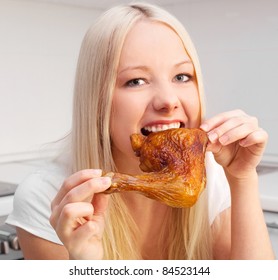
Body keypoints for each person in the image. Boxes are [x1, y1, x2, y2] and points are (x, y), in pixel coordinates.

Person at [6, 2, 274, 260]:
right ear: (97, 102)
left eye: (182, 77)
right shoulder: (50, 198)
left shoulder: (212, 177)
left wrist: (242, 179)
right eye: (136, 81)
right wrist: (86, 265)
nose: (168, 101)